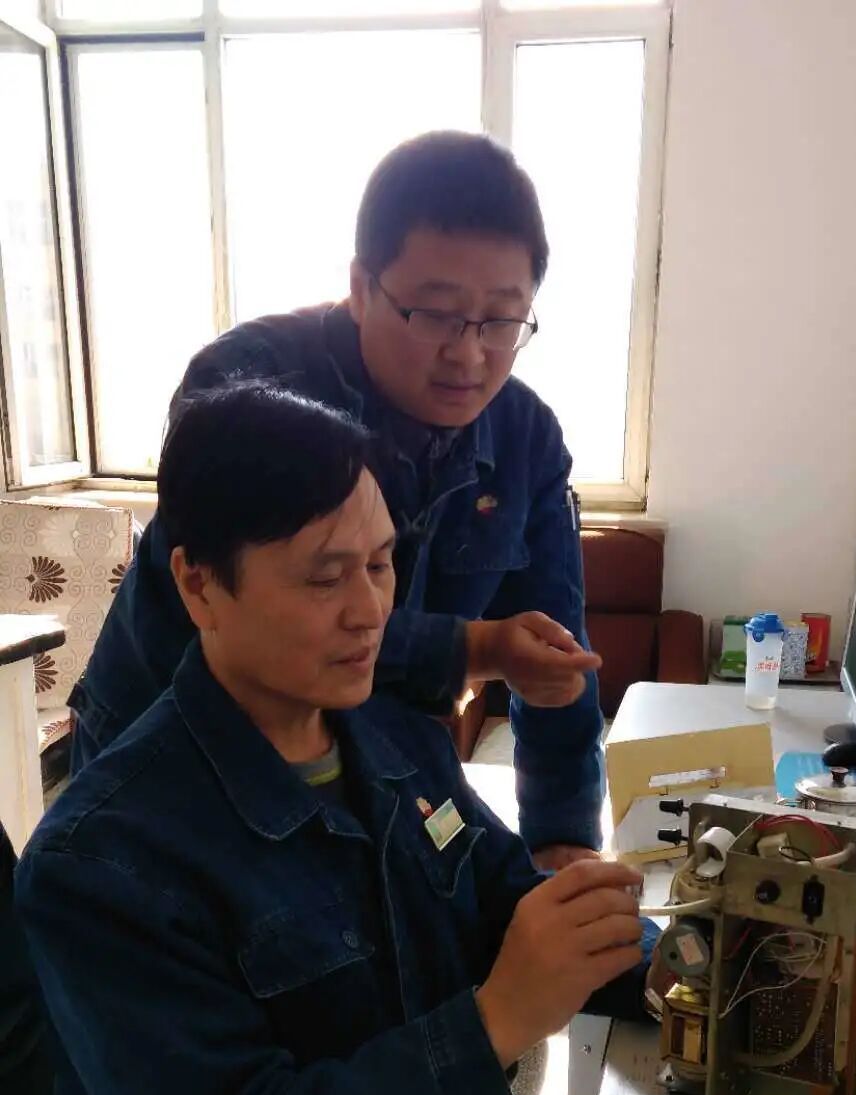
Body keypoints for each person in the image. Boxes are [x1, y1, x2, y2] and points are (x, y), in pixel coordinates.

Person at [16, 384, 649, 1095]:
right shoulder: (105, 863)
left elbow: (509, 898)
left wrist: (698, 970)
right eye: (324, 576)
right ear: (200, 585)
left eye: (382, 563)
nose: (370, 611)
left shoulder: (389, 737)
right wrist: (496, 1020)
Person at [70, 130, 604, 873]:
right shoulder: (247, 388)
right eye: (436, 314)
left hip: (371, 761)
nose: (469, 353)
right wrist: (474, 649)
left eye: (502, 321)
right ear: (360, 286)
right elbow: (271, 620)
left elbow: (557, 652)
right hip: (180, 757)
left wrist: (563, 838)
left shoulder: (526, 437)